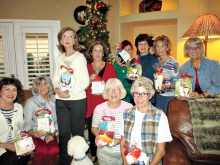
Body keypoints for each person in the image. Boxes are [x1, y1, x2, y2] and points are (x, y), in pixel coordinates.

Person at [52, 27, 89, 165]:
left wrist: (70, 94)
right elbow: (55, 78)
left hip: (77, 101)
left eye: (70, 36)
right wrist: (57, 88)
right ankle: (64, 162)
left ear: (75, 40)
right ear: (61, 40)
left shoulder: (80, 58)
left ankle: (79, 162)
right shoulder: (59, 58)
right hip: (60, 101)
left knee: (77, 134)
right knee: (63, 135)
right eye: (64, 37)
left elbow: (85, 81)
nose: (67, 39)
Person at [120, 77, 172, 165]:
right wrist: (125, 163)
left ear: (150, 95)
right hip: (129, 160)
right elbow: (122, 143)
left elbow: (161, 150)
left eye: (144, 94)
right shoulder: (126, 114)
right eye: (137, 93)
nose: (139, 98)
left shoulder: (159, 116)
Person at [86, 40, 117, 163]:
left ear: (104, 53)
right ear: (91, 53)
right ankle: (93, 153)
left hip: (105, 103)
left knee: (105, 128)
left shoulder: (109, 67)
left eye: (100, 50)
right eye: (95, 50)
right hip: (90, 102)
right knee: (92, 129)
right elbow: (81, 87)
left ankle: (105, 151)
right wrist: (89, 80)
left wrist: (105, 87)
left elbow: (114, 86)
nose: (98, 53)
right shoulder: (87, 68)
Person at [91, 78, 133, 165]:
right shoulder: (99, 109)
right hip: (106, 155)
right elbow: (94, 128)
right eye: (110, 89)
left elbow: (134, 131)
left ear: (121, 92)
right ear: (106, 93)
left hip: (126, 152)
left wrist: (119, 140)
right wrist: (99, 137)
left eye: (117, 89)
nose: (113, 92)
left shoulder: (129, 108)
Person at [24, 76, 59, 165]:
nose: (42, 87)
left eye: (44, 84)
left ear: (49, 85)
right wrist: (33, 133)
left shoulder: (56, 100)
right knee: (42, 151)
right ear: (36, 88)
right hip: (36, 133)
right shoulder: (31, 102)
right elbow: (27, 123)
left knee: (54, 150)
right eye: (38, 85)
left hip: (51, 132)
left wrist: (52, 134)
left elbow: (59, 120)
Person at [0, 77, 31, 165]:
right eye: (7, 89)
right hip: (2, 148)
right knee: (14, 157)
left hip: (14, 146)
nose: (11, 93)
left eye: (14, 90)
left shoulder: (18, 108)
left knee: (26, 153)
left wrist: (25, 144)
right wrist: (6, 145)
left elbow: (19, 132)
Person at [129, 33, 159, 104]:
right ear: (137, 46)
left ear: (149, 46)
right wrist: (129, 78)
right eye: (140, 44)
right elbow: (129, 80)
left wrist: (142, 78)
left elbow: (157, 78)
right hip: (135, 96)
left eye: (145, 44)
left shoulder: (154, 59)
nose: (143, 46)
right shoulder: (133, 61)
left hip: (148, 97)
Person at [153, 35, 179, 114]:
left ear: (167, 47)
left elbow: (177, 83)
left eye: (162, 46)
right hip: (158, 97)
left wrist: (167, 86)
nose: (159, 49)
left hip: (169, 98)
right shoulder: (156, 61)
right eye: (157, 46)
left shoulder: (173, 63)